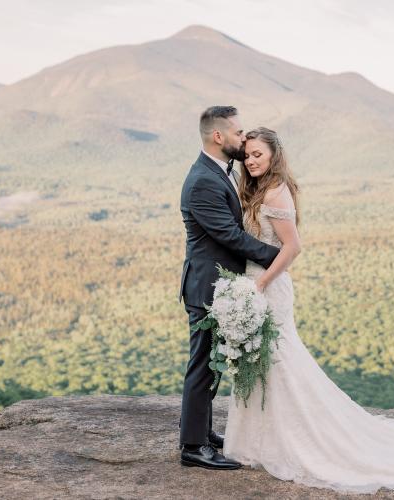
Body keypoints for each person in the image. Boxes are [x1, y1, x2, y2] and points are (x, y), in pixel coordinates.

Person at [222, 127, 394, 494]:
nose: (252, 160)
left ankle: (296, 441)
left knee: (277, 359)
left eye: (259, 153)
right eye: (248, 155)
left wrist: (259, 285)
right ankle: (257, 440)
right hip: (255, 283)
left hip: (269, 286)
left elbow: (292, 248)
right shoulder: (259, 188)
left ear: (275, 155)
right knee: (259, 360)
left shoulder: (276, 191)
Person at [178, 107, 280, 470]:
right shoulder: (204, 179)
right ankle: (192, 446)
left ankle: (203, 433)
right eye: (238, 132)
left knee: (213, 365)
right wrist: (278, 256)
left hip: (219, 284)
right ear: (218, 137)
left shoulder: (219, 170)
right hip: (207, 286)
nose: (243, 137)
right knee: (203, 365)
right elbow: (228, 235)